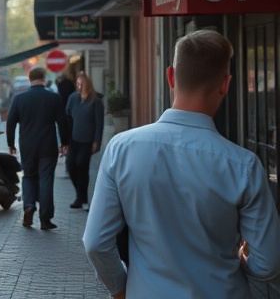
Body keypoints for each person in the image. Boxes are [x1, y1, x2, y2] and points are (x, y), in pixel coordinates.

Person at [83, 29, 280, 297]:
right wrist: (245, 261)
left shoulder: (121, 148)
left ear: (171, 77)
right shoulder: (244, 165)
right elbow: (268, 263)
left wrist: (120, 289)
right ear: (226, 84)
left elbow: (95, 243)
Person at [5, 66, 68, 230]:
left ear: (29, 78)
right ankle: (45, 219)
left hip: (27, 146)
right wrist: (65, 143)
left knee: (29, 177)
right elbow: (62, 121)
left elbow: (10, 123)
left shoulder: (19, 99)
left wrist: (10, 144)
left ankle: (29, 206)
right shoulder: (54, 98)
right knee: (46, 179)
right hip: (48, 145)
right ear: (44, 78)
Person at [64, 71, 104, 211]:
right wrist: (64, 139)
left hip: (88, 140)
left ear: (87, 85)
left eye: (81, 84)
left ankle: (83, 199)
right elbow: (67, 117)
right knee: (70, 166)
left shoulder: (95, 101)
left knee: (82, 165)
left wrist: (97, 141)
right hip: (73, 139)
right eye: (77, 84)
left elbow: (99, 123)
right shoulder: (73, 98)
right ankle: (80, 196)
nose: (78, 86)